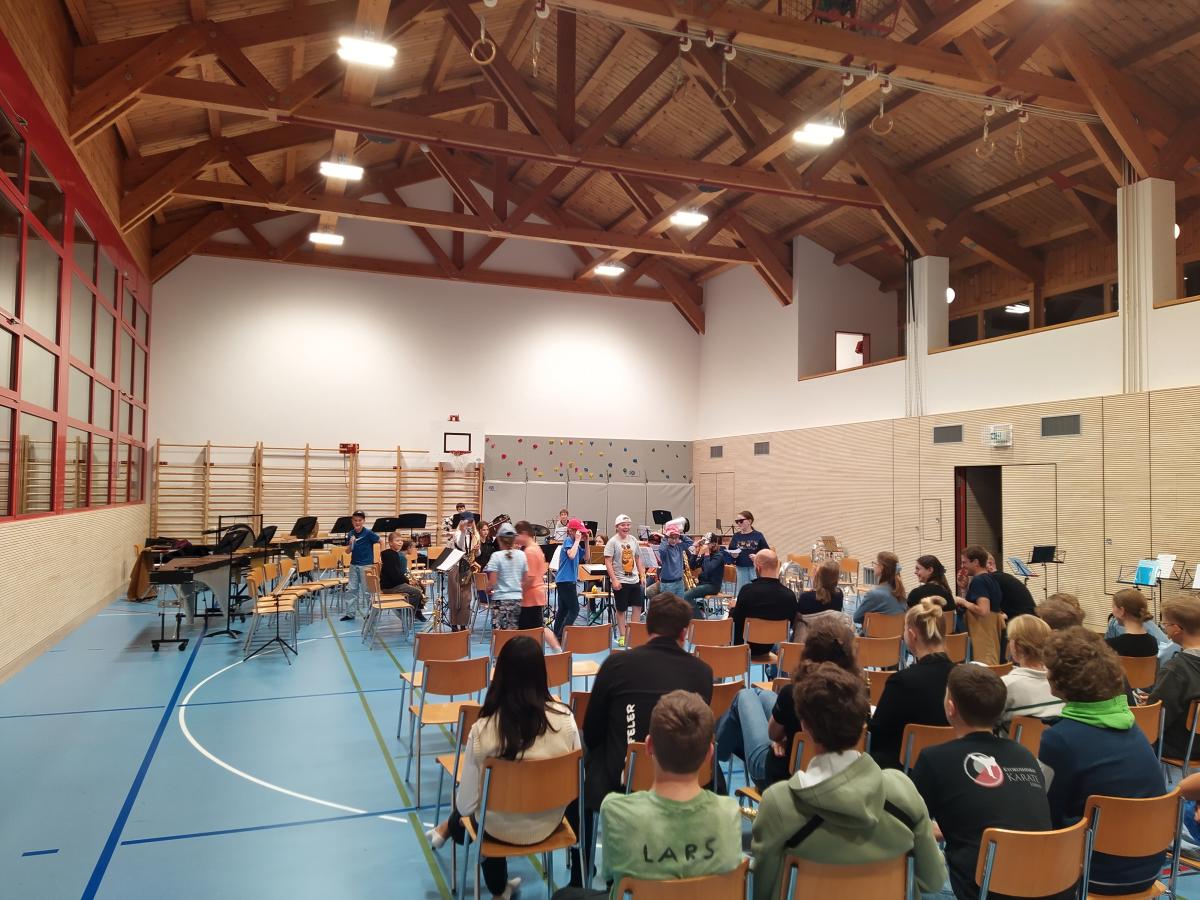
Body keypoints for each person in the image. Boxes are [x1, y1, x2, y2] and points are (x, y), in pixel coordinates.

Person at [750, 663, 947, 900]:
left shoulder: (780, 803)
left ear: (805, 727)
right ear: (864, 726)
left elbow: (761, 891)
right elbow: (933, 879)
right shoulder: (903, 792)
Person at [574, 594, 713, 886]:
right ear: (684, 632)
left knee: (580, 765)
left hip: (619, 782)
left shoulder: (616, 664)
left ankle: (580, 873)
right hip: (684, 779)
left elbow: (593, 729)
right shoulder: (703, 672)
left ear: (647, 627)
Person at [426, 637, 579, 899]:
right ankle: (450, 833)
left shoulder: (482, 730)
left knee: (481, 810)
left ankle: (498, 889)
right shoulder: (566, 721)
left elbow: (466, 806)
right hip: (551, 823)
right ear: (542, 673)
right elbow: (576, 784)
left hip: (497, 830)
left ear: (500, 675)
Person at [1040, 627, 1166, 896]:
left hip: (1094, 873)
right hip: (1149, 866)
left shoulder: (1059, 738)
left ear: (1058, 681)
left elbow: (1047, 813)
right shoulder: (1130, 723)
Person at [910, 665, 1052, 900]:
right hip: (1045, 885)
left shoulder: (933, 758)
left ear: (950, 707)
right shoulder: (1024, 754)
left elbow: (908, 827)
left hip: (981, 890)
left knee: (908, 876)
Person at [597, 691, 742, 895]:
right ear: (710, 754)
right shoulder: (729, 812)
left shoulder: (615, 811)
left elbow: (610, 875)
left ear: (648, 746)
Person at [716, 617, 858, 792]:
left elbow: (773, 734)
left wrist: (781, 739)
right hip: (839, 777)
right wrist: (787, 739)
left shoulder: (795, 693)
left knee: (745, 695)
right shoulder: (857, 698)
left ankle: (717, 753)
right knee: (763, 694)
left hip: (779, 777)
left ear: (809, 652)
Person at [869, 599, 955, 771]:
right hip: (950, 765)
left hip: (905, 770)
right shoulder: (962, 678)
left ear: (912, 634)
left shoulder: (901, 682)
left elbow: (876, 735)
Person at [1148, 597, 1200, 762]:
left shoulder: (1175, 670)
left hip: (1184, 747)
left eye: (1164, 624)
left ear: (1176, 629)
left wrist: (1151, 702)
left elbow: (1154, 720)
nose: (1164, 628)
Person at [1000, 614, 1064, 731]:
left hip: (1014, 742)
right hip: (1057, 741)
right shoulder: (1064, 682)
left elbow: (986, 724)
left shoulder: (1005, 686)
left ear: (1016, 646)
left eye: (1009, 640)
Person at [730, 549, 797, 655]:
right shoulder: (790, 596)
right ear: (777, 566)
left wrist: (734, 608)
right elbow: (791, 624)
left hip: (745, 648)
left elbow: (737, 621)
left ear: (758, 567)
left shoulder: (747, 591)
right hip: (772, 646)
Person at [514, 521, 563, 651]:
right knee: (539, 627)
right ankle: (556, 649)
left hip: (530, 597)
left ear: (524, 533)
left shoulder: (529, 551)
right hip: (536, 595)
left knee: (534, 629)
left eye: (517, 535)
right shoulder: (536, 548)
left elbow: (530, 578)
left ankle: (555, 650)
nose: (516, 538)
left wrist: (518, 591)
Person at [604, 515, 646, 647]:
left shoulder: (633, 540)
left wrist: (642, 575)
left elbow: (638, 558)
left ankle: (633, 633)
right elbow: (608, 562)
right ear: (617, 527)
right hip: (621, 581)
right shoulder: (612, 542)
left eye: (628, 525)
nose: (626, 527)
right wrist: (614, 580)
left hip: (634, 580)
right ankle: (623, 635)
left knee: (637, 606)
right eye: (623, 525)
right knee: (621, 609)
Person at [956, 546, 1002, 665]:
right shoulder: (990, 579)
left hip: (983, 629)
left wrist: (962, 601)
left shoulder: (979, 581)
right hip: (991, 629)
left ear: (976, 562)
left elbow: (983, 610)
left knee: (984, 664)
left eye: (964, 562)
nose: (963, 566)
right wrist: (964, 589)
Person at [485, 523, 526, 630]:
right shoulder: (522, 555)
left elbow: (492, 582)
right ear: (514, 539)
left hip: (500, 601)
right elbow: (525, 579)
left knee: (500, 635)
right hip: (518, 601)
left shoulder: (496, 556)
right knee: (516, 635)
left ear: (499, 539)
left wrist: (488, 589)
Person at [553, 518, 588, 641]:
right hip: (565, 580)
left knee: (563, 609)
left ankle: (556, 634)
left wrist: (586, 541)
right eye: (579, 531)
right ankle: (562, 635)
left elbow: (587, 557)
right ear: (571, 531)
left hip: (568, 580)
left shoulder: (575, 544)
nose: (581, 534)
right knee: (574, 609)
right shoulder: (568, 541)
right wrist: (577, 541)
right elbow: (571, 555)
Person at [342, 510, 380, 622]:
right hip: (354, 565)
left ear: (363, 521)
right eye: (355, 520)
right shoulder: (350, 533)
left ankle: (372, 613)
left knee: (367, 591)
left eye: (360, 520)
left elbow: (381, 541)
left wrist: (380, 555)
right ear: (352, 521)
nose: (357, 522)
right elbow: (348, 551)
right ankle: (350, 614)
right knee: (351, 589)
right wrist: (351, 544)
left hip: (366, 565)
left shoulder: (368, 533)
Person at [379, 531, 426, 622]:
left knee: (417, 589)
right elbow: (395, 576)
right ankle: (404, 611)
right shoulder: (391, 556)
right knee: (417, 592)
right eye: (397, 541)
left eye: (401, 541)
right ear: (390, 543)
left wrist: (407, 582)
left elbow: (397, 574)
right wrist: (408, 582)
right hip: (391, 587)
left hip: (390, 585)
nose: (400, 542)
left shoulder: (392, 554)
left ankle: (410, 611)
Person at [683, 533, 732, 619]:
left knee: (687, 596)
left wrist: (706, 553)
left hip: (713, 586)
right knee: (682, 591)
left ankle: (699, 620)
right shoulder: (706, 555)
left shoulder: (719, 556)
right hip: (702, 583)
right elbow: (692, 566)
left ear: (714, 544)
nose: (704, 546)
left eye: (707, 543)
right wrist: (696, 552)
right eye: (704, 543)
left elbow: (708, 569)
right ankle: (693, 615)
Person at [854, 551, 907, 626]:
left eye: (875, 563)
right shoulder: (901, 593)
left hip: (873, 633)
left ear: (881, 567)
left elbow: (856, 618)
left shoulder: (874, 594)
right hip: (896, 633)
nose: (874, 566)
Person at [448, 513, 481, 630]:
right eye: (468, 522)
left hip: (467, 568)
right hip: (456, 567)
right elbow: (461, 546)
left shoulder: (474, 535)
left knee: (466, 598)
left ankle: (463, 624)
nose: (470, 524)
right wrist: (462, 531)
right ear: (462, 522)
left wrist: (477, 550)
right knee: (455, 597)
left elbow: (477, 554)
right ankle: (454, 624)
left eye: (471, 522)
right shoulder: (457, 534)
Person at [1106, 589, 1158, 658]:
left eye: (1113, 607)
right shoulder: (1153, 642)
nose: (1112, 611)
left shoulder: (1110, 645)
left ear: (1122, 611)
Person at [985, 553, 1037, 621]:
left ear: (990, 564)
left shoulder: (993, 578)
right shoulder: (1003, 576)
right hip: (1031, 618)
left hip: (1024, 621)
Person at [728, 511, 768, 595]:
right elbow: (731, 551)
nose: (739, 523)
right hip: (741, 568)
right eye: (737, 521)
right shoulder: (736, 536)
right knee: (743, 592)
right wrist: (733, 555)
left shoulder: (758, 535)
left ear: (749, 521)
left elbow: (766, 552)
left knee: (756, 592)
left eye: (741, 521)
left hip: (755, 568)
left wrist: (757, 556)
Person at [654, 522, 693, 598]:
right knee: (668, 604)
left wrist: (679, 535)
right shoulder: (665, 549)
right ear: (668, 538)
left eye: (676, 538)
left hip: (679, 582)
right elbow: (661, 550)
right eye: (672, 538)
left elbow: (690, 542)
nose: (674, 540)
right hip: (667, 584)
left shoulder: (679, 547)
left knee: (679, 604)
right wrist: (666, 536)